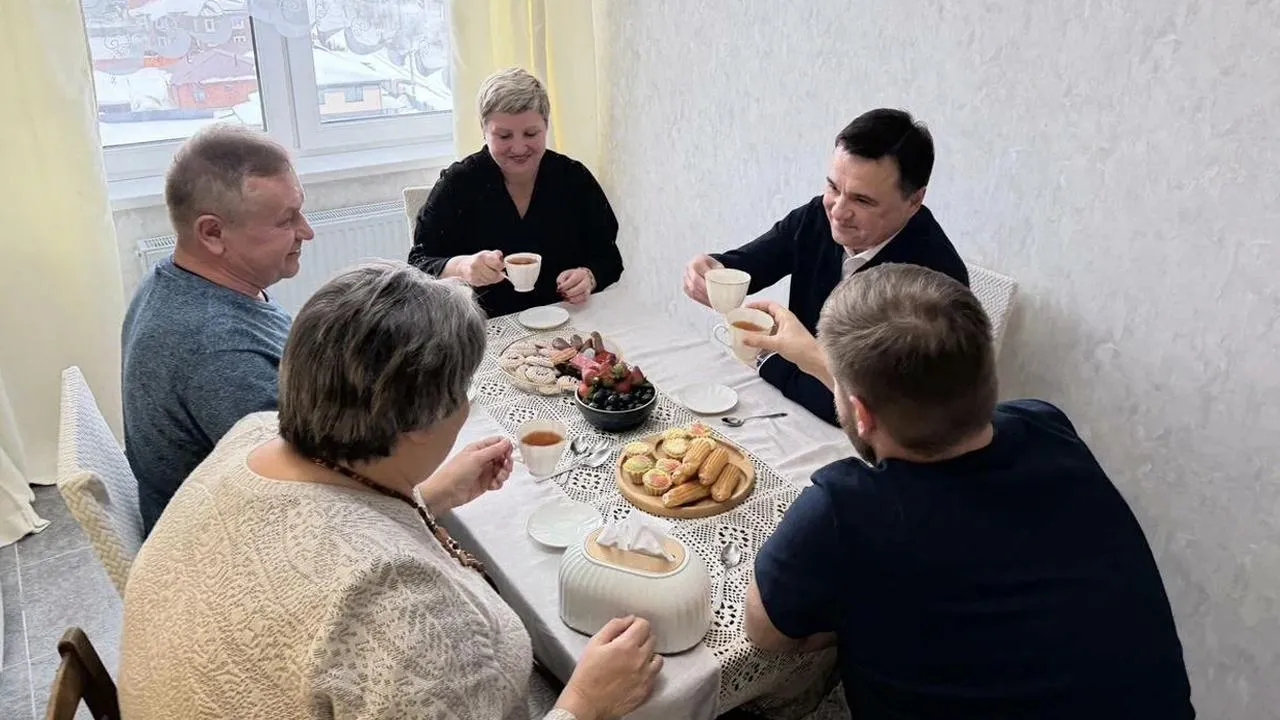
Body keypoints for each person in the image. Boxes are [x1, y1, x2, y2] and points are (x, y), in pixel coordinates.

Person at [119, 260, 662, 720]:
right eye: (463, 390)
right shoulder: (404, 613)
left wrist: (427, 496)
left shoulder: (255, 434)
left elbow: (325, 523)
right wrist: (584, 703)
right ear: (417, 424)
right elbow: (368, 591)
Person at [744, 265, 1194, 719]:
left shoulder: (842, 509)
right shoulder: (1047, 425)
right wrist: (831, 368)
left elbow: (765, 631)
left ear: (860, 411)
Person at [683, 109, 967, 426]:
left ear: (914, 201)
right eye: (833, 187)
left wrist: (770, 361)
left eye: (863, 201)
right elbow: (750, 265)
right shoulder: (818, 215)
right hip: (787, 404)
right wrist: (711, 270)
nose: (838, 211)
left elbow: (878, 413)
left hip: (864, 439)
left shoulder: (938, 284)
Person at [121, 123, 313, 534]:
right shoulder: (214, 349)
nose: (306, 231)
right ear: (212, 233)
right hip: (239, 546)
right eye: (286, 220)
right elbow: (306, 499)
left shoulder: (177, 280)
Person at [408, 67, 623, 317]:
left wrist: (589, 277)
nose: (518, 147)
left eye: (531, 133)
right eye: (504, 136)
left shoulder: (574, 179)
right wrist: (463, 267)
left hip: (562, 318)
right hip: (481, 327)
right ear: (484, 130)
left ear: (546, 126)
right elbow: (419, 263)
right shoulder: (460, 183)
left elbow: (609, 257)